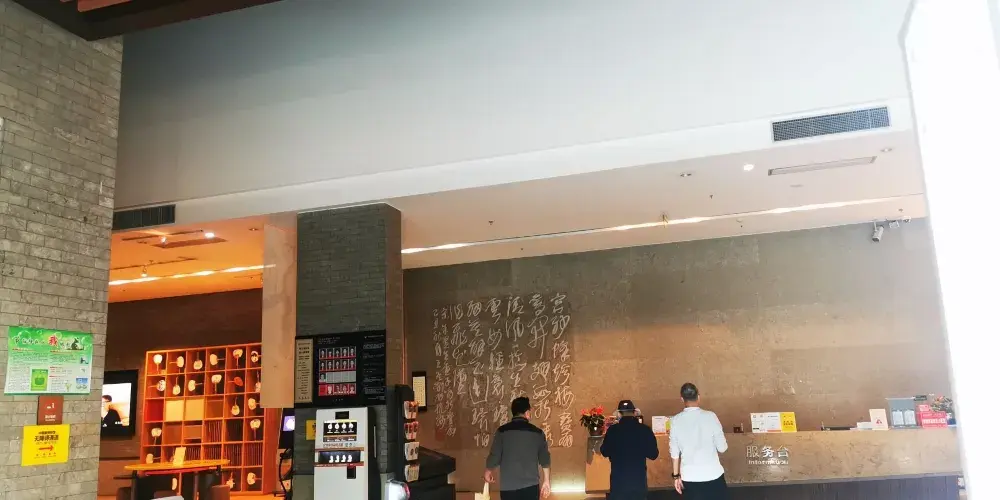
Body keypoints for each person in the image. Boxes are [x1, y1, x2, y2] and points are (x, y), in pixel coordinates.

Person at [669, 383, 730, 499]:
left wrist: (676, 477)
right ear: (698, 397)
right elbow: (722, 448)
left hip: (689, 477)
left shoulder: (675, 421)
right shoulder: (711, 416)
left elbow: (674, 453)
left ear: (682, 399)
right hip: (713, 474)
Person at [484, 397, 552, 500]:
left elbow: (495, 455)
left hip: (508, 487)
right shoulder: (538, 433)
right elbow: (545, 459)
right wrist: (546, 481)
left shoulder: (502, 432)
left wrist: (488, 471)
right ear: (527, 413)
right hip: (531, 487)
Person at [599, 399, 659, 500]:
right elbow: (654, 454)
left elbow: (604, 452)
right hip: (638, 482)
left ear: (619, 414)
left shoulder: (612, 430)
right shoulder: (645, 430)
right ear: (635, 412)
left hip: (618, 483)